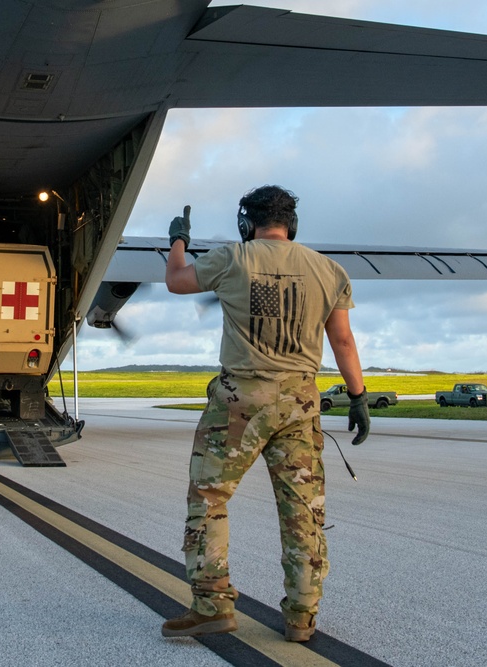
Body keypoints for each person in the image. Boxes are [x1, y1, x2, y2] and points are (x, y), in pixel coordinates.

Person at [160, 186, 370, 642]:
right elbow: (344, 341)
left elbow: (177, 281)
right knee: (302, 512)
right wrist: (358, 396)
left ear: (246, 222)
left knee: (209, 500)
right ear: (291, 223)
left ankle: (212, 605)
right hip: (299, 402)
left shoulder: (234, 258)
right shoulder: (330, 270)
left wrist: (178, 240)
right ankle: (301, 618)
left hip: (239, 400)